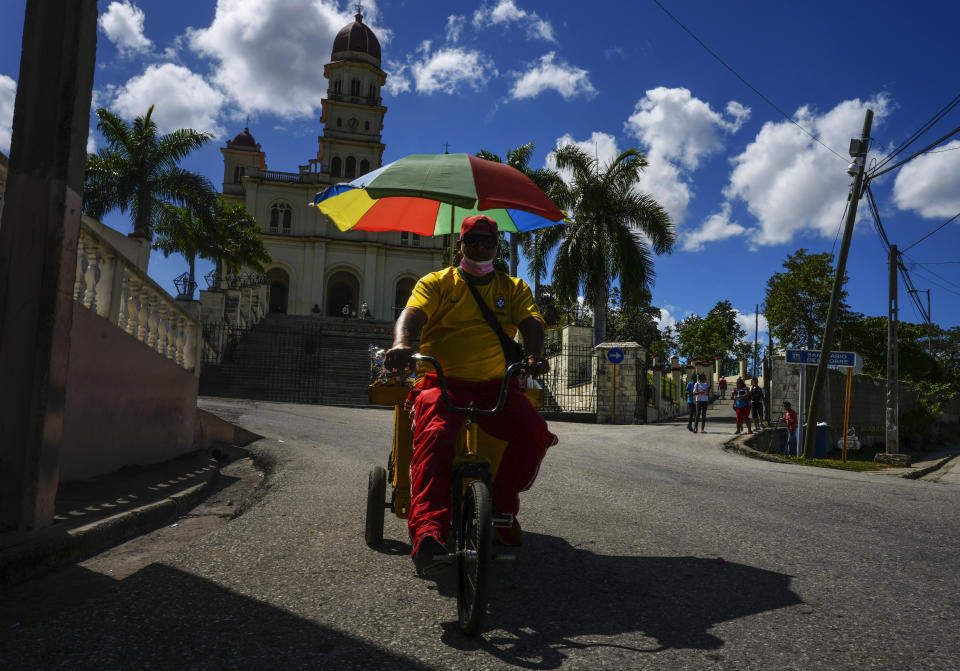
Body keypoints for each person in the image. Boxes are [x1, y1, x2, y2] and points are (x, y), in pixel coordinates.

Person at [384, 214, 555, 576]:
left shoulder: (513, 288)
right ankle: (428, 533)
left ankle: (504, 507)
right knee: (434, 438)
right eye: (472, 241)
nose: (480, 247)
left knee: (535, 434)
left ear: (496, 248)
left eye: (487, 242)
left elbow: (532, 322)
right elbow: (412, 313)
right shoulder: (437, 282)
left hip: (497, 385)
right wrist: (402, 343)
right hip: (440, 382)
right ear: (459, 246)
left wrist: (535, 354)